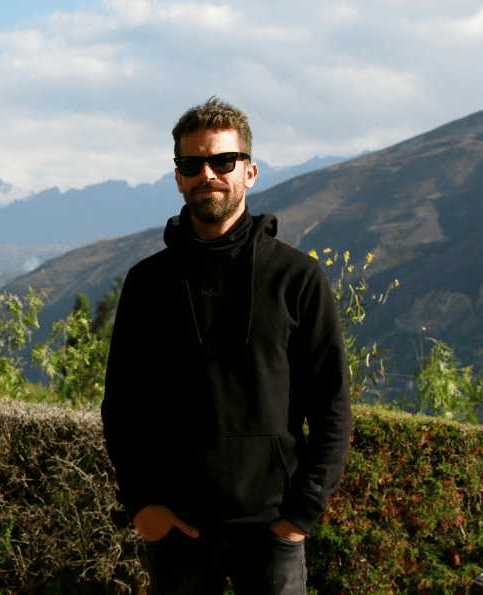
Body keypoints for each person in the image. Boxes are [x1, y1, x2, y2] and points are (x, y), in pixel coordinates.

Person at [101, 97, 352, 594]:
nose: (208, 174)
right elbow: (121, 406)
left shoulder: (297, 278)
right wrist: (143, 507)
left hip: (273, 530)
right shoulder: (148, 283)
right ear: (177, 177)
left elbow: (332, 408)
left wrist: (299, 516)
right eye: (192, 164)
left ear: (250, 171)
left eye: (222, 161)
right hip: (177, 532)